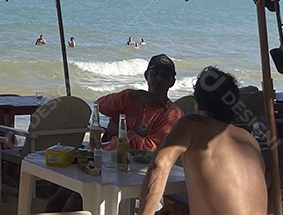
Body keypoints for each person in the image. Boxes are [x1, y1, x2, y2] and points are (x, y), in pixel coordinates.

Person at [46, 53, 182, 212]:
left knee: (76, 201)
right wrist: (131, 94)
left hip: (132, 171)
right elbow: (100, 105)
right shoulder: (132, 98)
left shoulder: (171, 113)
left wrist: (121, 131)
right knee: (59, 198)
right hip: (106, 161)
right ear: (146, 75)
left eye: (165, 76)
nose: (159, 79)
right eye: (155, 73)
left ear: (172, 82)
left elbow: (149, 148)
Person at [139, 66, 268, 215]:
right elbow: (239, 197)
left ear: (198, 103)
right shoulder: (249, 140)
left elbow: (159, 165)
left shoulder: (193, 124)